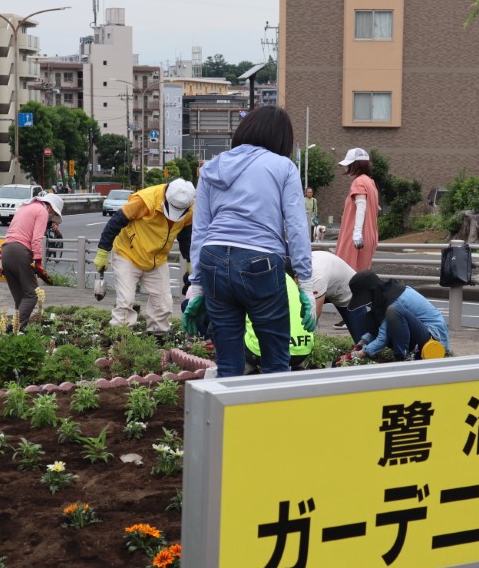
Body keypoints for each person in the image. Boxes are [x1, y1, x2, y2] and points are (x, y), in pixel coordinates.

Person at [183, 105, 316, 377]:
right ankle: (272, 418)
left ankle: (226, 417)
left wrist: (196, 284)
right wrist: (306, 281)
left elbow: (201, 229)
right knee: (276, 360)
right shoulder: (283, 167)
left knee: (228, 362)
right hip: (261, 261)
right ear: (281, 139)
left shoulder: (212, 167)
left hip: (213, 259)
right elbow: (297, 225)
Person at [93, 178, 195, 336]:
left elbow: (186, 236)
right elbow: (115, 222)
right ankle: (120, 338)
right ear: (166, 198)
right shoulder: (145, 201)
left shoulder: (189, 209)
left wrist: (190, 262)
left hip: (157, 260)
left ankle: (157, 336)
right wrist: (103, 252)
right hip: (128, 254)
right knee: (126, 301)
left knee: (163, 303)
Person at [346, 270, 450, 361]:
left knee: (394, 311)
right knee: (370, 319)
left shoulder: (393, 300)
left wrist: (357, 355)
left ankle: (402, 357)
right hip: (421, 333)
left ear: (371, 292)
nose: (367, 303)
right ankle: (403, 353)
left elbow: (383, 337)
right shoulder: (386, 293)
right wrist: (362, 343)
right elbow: (379, 327)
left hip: (434, 339)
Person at [0, 192, 63, 330]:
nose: (51, 219)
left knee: (21, 298)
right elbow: (36, 239)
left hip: (6, 251)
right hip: (20, 251)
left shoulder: (25, 207)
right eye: (53, 216)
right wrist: (38, 262)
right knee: (32, 295)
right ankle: (13, 329)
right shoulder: (42, 211)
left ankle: (17, 334)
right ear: (51, 208)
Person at [244, 273, 314, 372]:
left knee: (228, 322)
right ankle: (296, 367)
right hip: (302, 350)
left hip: (262, 353)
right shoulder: (287, 277)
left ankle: (247, 371)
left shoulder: (248, 276)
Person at [335, 147, 380, 273]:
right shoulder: (370, 182)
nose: (346, 168)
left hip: (356, 236)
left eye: (349, 165)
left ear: (355, 165)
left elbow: (361, 207)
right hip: (369, 235)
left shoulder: (358, 182)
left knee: (347, 274)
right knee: (362, 274)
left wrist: (357, 234)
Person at [309, 250, 368, 340]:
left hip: (349, 294)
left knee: (362, 339)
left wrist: (306, 337)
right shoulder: (298, 265)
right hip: (331, 282)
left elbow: (315, 315)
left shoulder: (317, 277)